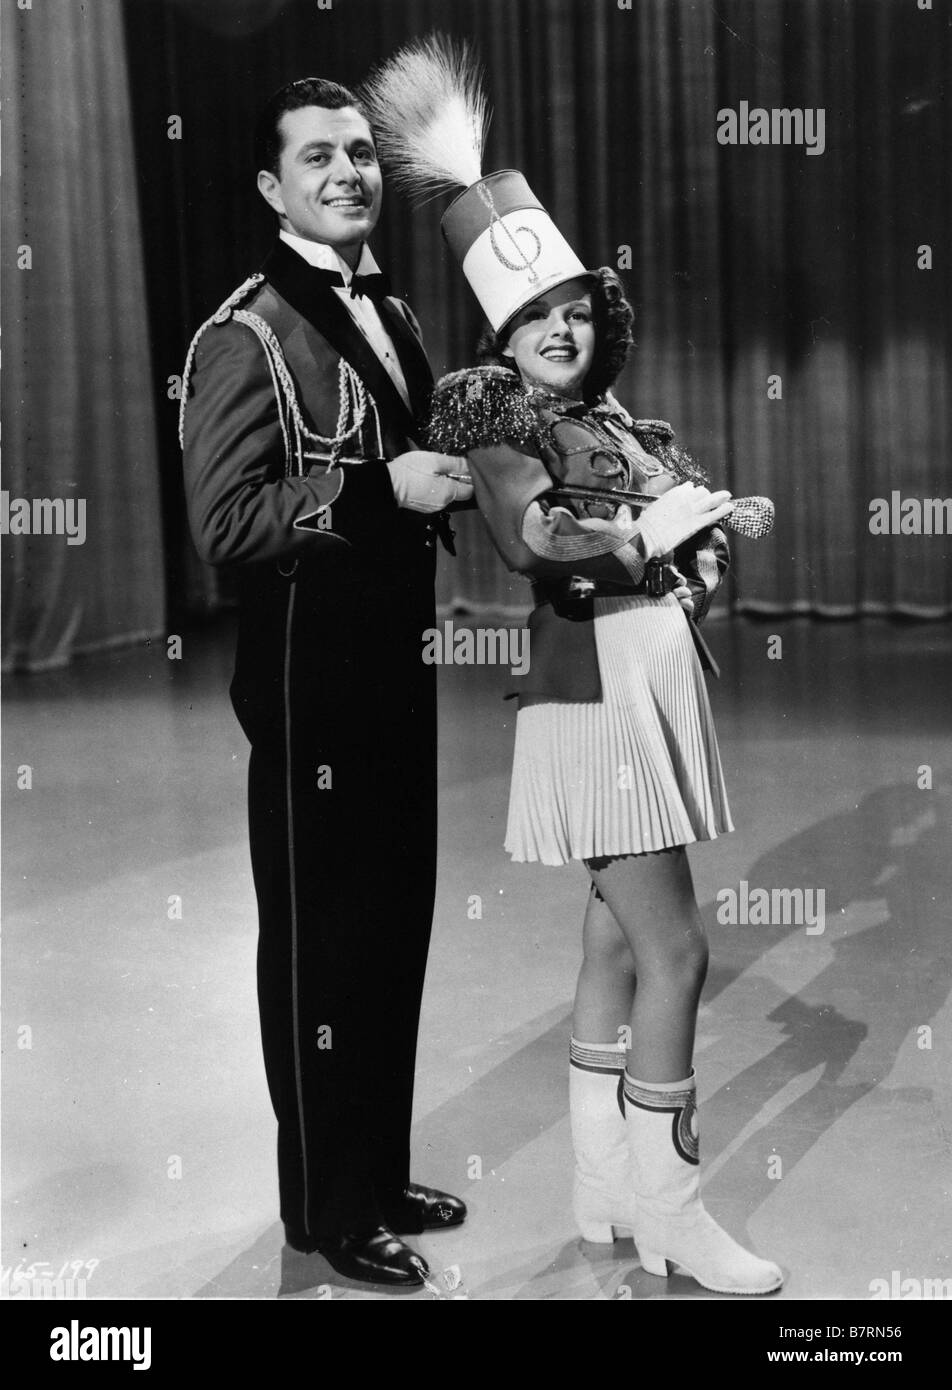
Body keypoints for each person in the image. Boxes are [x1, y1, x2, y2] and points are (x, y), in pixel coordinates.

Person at [427, 266, 784, 1295]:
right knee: (676, 952)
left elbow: (686, 544)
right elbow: (536, 536)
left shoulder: (616, 422)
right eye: (536, 312)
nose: (560, 327)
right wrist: (643, 540)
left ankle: (606, 1192)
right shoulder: (496, 417)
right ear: (502, 327)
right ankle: (675, 1216)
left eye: (578, 310)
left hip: (640, 671)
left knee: (614, 941)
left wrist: (696, 554)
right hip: (595, 686)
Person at [179, 77, 472, 1289]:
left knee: (394, 924)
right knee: (321, 947)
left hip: (392, 667)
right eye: (318, 158)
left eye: (359, 152)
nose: (348, 172)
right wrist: (373, 490)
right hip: (307, 685)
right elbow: (224, 521)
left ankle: (375, 1164)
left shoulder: (391, 308)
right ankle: (324, 1208)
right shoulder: (243, 334)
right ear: (271, 187)